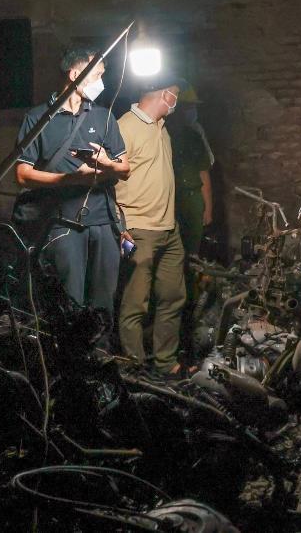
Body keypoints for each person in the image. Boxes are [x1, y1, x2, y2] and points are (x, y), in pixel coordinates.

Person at [12, 47, 130, 342]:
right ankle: (68, 362)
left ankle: (102, 360)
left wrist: (107, 165)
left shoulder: (103, 116)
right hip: (62, 224)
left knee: (103, 303)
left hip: (103, 222)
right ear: (75, 74)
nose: (102, 82)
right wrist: (69, 179)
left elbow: (125, 168)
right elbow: (22, 174)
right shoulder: (38, 118)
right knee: (70, 303)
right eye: (98, 75)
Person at [116, 77, 189, 379]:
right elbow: (108, 180)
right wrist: (120, 227)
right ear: (164, 94)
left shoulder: (162, 128)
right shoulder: (124, 127)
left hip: (169, 230)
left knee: (173, 297)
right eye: (176, 95)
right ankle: (135, 370)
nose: (177, 101)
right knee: (135, 304)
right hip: (138, 230)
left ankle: (166, 363)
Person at [166, 86, 214, 256]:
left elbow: (203, 172)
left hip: (193, 199)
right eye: (187, 106)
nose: (190, 111)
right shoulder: (161, 134)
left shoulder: (194, 135)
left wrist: (208, 208)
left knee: (192, 250)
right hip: (170, 199)